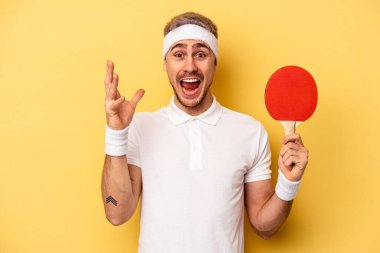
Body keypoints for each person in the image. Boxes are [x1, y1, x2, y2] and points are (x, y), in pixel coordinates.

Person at [101, 12, 309, 253]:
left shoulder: (250, 132)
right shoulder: (140, 127)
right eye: (178, 55)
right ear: (165, 64)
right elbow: (116, 211)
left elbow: (265, 227)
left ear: (215, 62)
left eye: (201, 54)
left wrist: (288, 182)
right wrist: (116, 134)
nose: (190, 66)